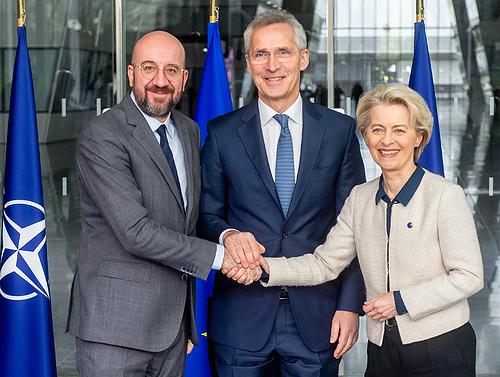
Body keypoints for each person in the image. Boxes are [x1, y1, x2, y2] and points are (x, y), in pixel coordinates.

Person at [232, 83, 484, 377]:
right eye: (377, 129)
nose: (387, 140)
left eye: (399, 130)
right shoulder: (360, 198)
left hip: (441, 345)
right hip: (381, 347)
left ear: (419, 137)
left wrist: (400, 301)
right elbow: (324, 263)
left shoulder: (444, 195)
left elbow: (469, 276)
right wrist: (265, 269)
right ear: (366, 135)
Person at [199, 9, 366, 377]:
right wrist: (228, 235)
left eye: (283, 52)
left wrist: (350, 305)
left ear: (303, 58)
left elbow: (357, 227)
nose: (272, 65)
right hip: (241, 320)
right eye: (261, 54)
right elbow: (205, 215)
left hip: (319, 319)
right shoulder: (222, 133)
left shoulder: (339, 132)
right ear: (248, 62)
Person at [66, 31, 240, 377]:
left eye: (172, 70)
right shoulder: (103, 135)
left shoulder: (189, 131)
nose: (160, 81)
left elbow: (185, 222)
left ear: (184, 78)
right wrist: (222, 257)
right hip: (114, 331)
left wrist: (187, 322)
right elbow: (136, 232)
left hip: (171, 330)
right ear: (131, 73)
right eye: (149, 68)